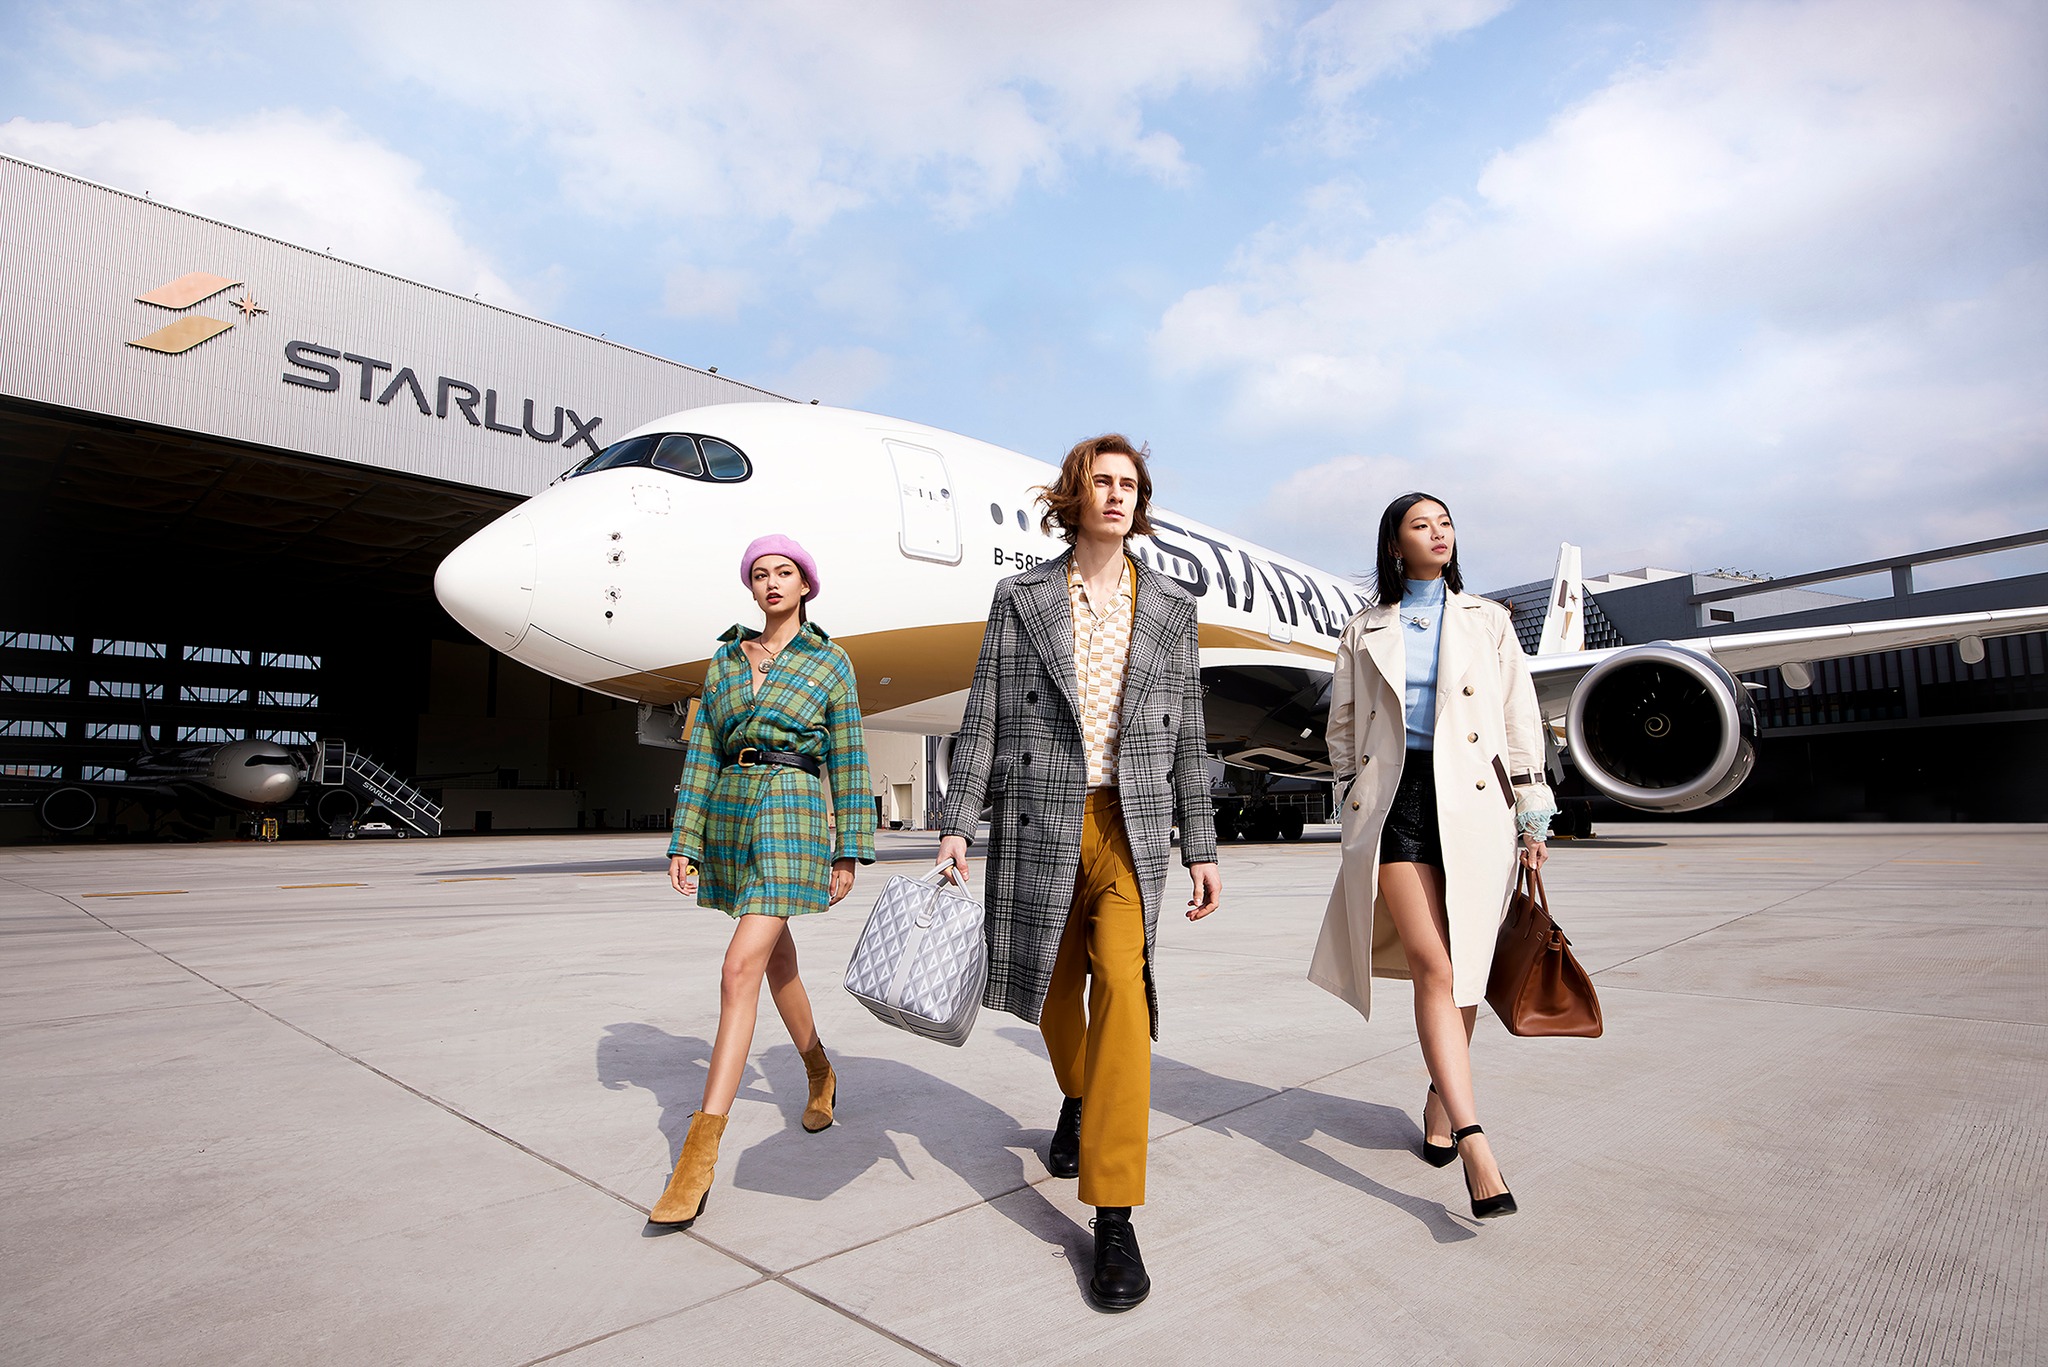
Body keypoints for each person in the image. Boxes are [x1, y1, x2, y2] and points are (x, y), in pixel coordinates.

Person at [937, 434, 1222, 1312]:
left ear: (1141, 501)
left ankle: (1113, 1210)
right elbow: (982, 717)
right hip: (1040, 822)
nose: (1115, 495)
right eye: (1101, 481)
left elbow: (1187, 735)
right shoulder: (1020, 599)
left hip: (1129, 829)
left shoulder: (1171, 607)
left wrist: (1201, 844)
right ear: (1075, 493)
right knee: (1053, 1001)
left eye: (1129, 484)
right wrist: (954, 826)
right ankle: (1077, 1095)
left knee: (1125, 1003)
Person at [1308, 492, 1555, 1221]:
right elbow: (1343, 725)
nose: (1438, 533)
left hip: (1475, 802)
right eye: (1422, 524)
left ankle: (1442, 1097)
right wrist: (1350, 794)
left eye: (1445, 523)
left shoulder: (1490, 620)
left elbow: (1519, 718)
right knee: (1435, 966)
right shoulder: (1364, 628)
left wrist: (1532, 816)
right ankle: (1477, 1140)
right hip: (1397, 804)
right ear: (1395, 544)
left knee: (1467, 967)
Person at [648, 535, 875, 1226]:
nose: (771, 582)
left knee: (738, 966)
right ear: (750, 588)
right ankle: (819, 1070)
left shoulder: (830, 662)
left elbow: (851, 757)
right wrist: (685, 837)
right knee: (777, 961)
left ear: (805, 583)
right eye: (759, 574)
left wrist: (849, 851)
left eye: (784, 572)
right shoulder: (722, 661)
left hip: (794, 814)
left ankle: (698, 1154)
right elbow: (702, 757)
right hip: (731, 816)